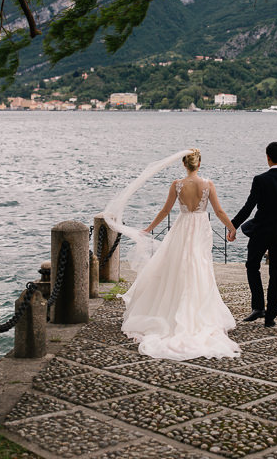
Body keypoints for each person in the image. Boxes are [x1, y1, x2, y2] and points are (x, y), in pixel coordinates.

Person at [102, 148, 240, 361]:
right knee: (199, 265)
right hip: (200, 226)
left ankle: (171, 309)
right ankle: (198, 311)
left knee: (179, 264)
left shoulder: (177, 185)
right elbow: (219, 211)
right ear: (199, 164)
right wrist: (231, 228)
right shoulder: (208, 184)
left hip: (183, 227)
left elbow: (165, 211)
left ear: (184, 164)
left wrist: (148, 229)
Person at [229, 142, 277, 328]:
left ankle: (258, 306)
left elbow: (248, 206)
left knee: (252, 266)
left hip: (260, 231)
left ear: (267, 157)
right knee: (275, 273)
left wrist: (233, 225)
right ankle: (270, 317)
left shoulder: (260, 180)